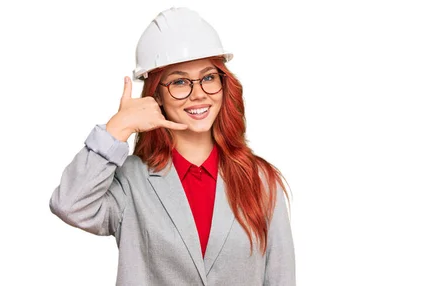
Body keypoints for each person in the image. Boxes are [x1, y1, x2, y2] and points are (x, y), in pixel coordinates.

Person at [49, 7, 295, 286]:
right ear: (157, 96)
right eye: (180, 82)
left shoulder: (261, 181)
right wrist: (118, 128)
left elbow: (280, 279)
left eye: (209, 77)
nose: (199, 93)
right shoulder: (130, 181)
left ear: (224, 84)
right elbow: (70, 205)